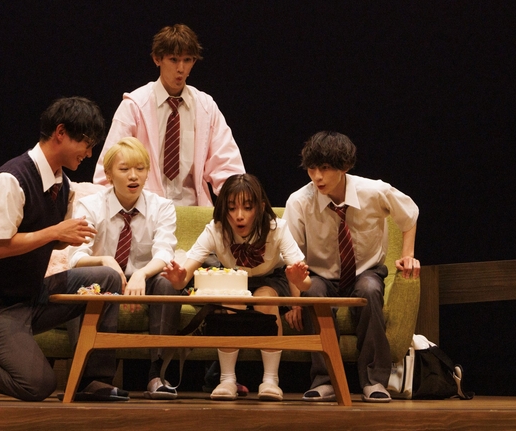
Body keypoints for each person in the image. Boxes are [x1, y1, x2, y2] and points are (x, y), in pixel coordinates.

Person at [0, 97, 128, 402]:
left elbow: (45, 239)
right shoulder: (9, 180)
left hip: (31, 294)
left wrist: (67, 238)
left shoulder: (62, 184)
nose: (89, 153)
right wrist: (55, 232)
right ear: (60, 133)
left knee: (107, 279)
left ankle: (91, 380)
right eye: (86, 143)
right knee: (38, 385)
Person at [283, 131, 420, 403]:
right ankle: (324, 380)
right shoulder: (299, 201)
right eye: (312, 169)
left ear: (344, 167)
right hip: (320, 275)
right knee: (313, 294)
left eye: (325, 168)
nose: (317, 177)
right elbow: (292, 254)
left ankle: (374, 380)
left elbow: (410, 214)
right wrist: (295, 301)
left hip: (365, 271)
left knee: (369, 290)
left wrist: (408, 255)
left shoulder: (374, 191)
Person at [162, 174, 310, 401]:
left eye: (247, 208)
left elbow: (303, 279)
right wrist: (177, 279)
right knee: (232, 300)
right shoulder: (216, 229)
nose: (239, 215)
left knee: (265, 299)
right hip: (234, 279)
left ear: (260, 207)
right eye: (232, 208)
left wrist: (298, 290)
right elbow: (183, 278)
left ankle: (271, 380)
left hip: (270, 279)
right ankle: (227, 379)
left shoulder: (276, 228)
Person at [68, 137, 181, 400]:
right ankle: (96, 380)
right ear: (108, 174)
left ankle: (158, 375)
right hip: (102, 279)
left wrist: (141, 274)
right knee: (103, 276)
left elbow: (164, 252)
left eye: (140, 168)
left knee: (167, 282)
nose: (133, 176)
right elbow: (76, 257)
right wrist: (105, 262)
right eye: (124, 169)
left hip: (145, 278)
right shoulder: (90, 206)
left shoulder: (162, 207)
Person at [92, 23, 244, 206]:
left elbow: (227, 165)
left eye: (187, 60)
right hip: (145, 210)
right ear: (157, 59)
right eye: (173, 59)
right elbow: (108, 170)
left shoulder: (206, 107)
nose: (181, 68)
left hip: (193, 209)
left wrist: (240, 203)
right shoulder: (135, 106)